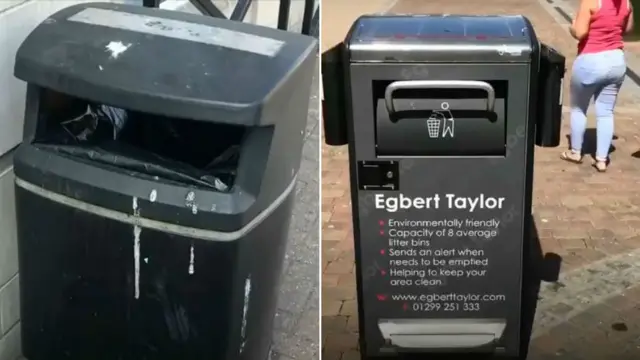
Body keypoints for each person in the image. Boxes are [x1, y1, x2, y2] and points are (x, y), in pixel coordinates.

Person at [561, 0, 634, 172]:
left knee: (579, 109)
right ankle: (602, 159)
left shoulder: (591, 1)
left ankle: (576, 152)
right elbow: (628, 30)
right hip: (616, 60)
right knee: (606, 112)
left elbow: (580, 33)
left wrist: (572, 26)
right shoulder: (626, 3)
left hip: (591, 60)